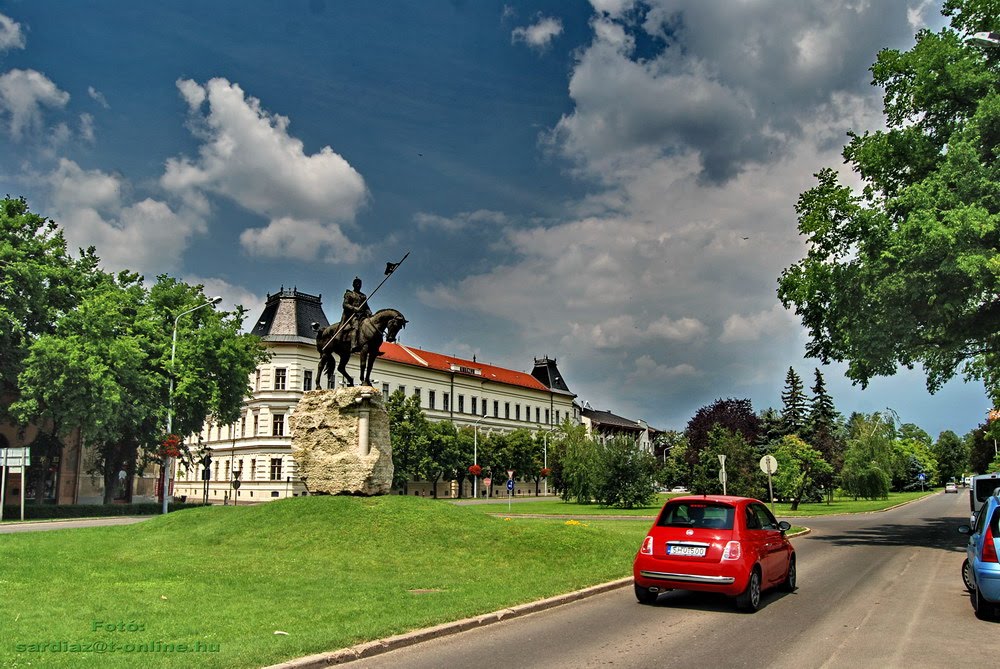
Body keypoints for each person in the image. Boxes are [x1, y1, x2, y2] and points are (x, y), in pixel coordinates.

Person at [340, 277, 373, 351]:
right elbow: (345, 304)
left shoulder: (363, 296)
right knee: (356, 326)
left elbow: (366, 307)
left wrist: (369, 311)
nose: (358, 285)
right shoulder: (349, 294)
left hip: (362, 315)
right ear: (353, 284)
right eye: (356, 283)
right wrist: (354, 308)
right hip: (351, 315)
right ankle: (353, 345)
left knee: (370, 326)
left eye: (359, 283)